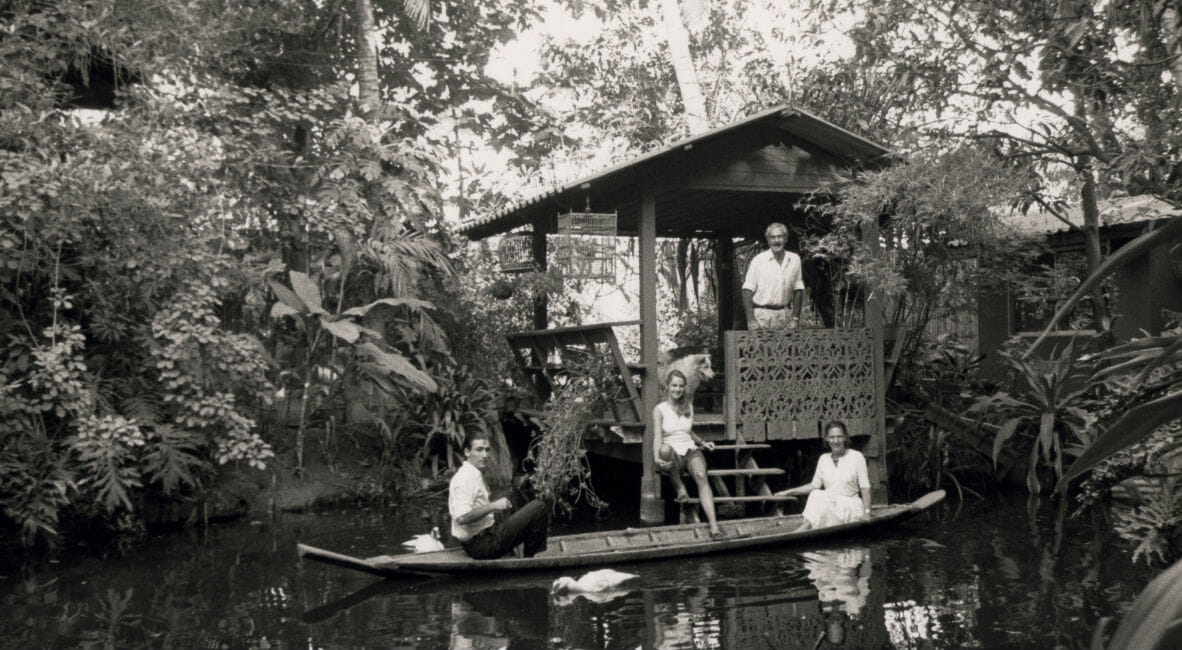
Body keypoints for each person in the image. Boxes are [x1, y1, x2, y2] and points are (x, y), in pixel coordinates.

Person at [449, 431, 551, 559]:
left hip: (486, 533)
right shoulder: (464, 479)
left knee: (509, 494)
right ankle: (529, 558)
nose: (485, 455)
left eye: (487, 450)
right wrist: (494, 506)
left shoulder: (472, 473)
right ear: (467, 452)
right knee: (539, 507)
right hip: (482, 545)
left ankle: (517, 546)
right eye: (479, 450)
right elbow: (462, 518)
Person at [653, 369, 722, 538]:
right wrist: (656, 457)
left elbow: (687, 431)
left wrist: (703, 443)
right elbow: (657, 436)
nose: (677, 389)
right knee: (664, 449)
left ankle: (714, 527)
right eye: (674, 385)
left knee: (700, 474)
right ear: (668, 387)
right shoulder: (659, 409)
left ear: (684, 388)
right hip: (672, 454)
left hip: (690, 450)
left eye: (681, 386)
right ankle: (680, 488)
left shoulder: (688, 406)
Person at [775, 420, 871, 530]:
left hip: (850, 506)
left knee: (818, 496)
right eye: (832, 437)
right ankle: (806, 528)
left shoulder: (857, 457)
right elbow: (814, 486)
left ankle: (801, 530)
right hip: (829, 506)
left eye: (839, 437)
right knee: (816, 494)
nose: (835, 441)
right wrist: (788, 492)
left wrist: (867, 512)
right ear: (827, 439)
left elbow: (865, 487)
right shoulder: (823, 459)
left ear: (845, 438)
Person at [742, 222, 806, 329]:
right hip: (761, 315)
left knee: (783, 346)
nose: (776, 241)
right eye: (773, 237)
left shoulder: (794, 260)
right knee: (761, 346)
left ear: (786, 239)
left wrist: (795, 319)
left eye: (780, 237)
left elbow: (798, 290)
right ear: (768, 240)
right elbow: (746, 291)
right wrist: (751, 320)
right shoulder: (759, 260)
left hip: (784, 315)